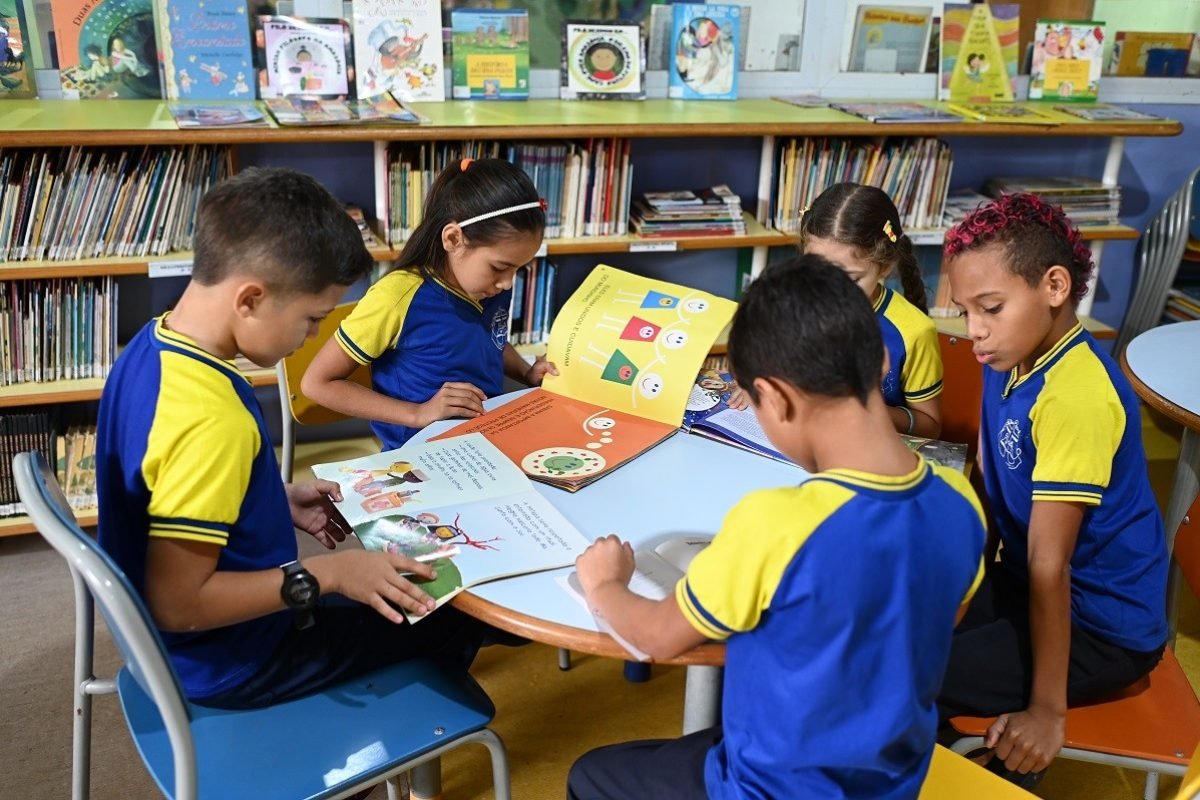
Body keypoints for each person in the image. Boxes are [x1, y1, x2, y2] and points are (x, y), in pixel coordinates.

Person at [567, 255, 986, 799]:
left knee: (590, 774)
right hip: (892, 782)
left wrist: (604, 584)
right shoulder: (960, 501)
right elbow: (931, 620)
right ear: (882, 360)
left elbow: (657, 637)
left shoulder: (777, 523)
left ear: (778, 398)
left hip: (768, 788)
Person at [96, 167, 487, 711]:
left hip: (194, 643)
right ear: (251, 299)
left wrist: (270, 498)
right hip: (237, 658)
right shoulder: (212, 422)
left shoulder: (152, 346)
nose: (311, 337)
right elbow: (178, 603)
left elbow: (162, 486)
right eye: (312, 319)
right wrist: (330, 573)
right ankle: (398, 742)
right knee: (452, 612)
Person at [937, 193, 1168, 786]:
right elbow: (991, 483)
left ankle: (1002, 771)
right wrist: (963, 580)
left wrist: (1046, 712)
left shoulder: (1075, 395)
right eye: (965, 311)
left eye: (990, 308)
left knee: (908, 674)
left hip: (1103, 626)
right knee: (893, 626)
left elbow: (1050, 563)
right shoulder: (1008, 356)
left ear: (1055, 286)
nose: (975, 331)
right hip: (1028, 582)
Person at [302, 157, 557, 450]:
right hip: (417, 455)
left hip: (485, 441)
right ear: (453, 239)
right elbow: (317, 384)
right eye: (500, 267)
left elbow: (490, 338)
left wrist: (526, 372)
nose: (508, 283)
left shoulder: (490, 287)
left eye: (518, 269)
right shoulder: (396, 297)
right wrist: (417, 413)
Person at [797, 182, 944, 438]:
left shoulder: (914, 332)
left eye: (852, 279)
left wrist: (861, 408)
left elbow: (930, 426)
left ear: (884, 267)